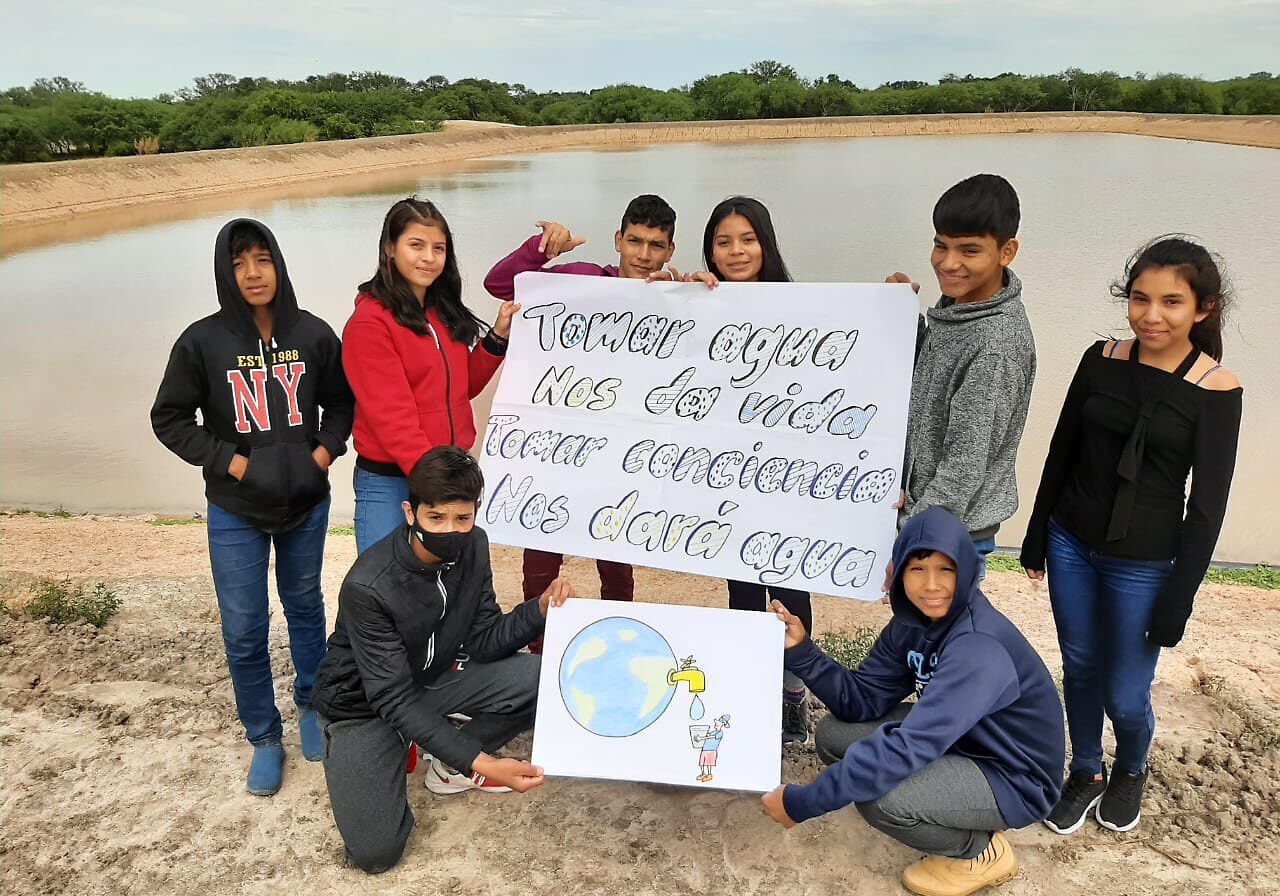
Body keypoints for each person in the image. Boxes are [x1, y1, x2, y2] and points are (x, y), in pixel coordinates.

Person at [1020, 236, 1242, 836]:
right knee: (1080, 665)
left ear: (1203, 309)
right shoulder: (1101, 358)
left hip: (1144, 562)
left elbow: (1208, 508)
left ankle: (1133, 766)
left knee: (1124, 692)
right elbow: (1062, 449)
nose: (1150, 315)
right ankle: (1086, 769)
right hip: (1072, 540)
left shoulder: (1217, 389)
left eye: (1171, 302)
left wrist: (1179, 598)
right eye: (1140, 298)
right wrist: (1037, 533)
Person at [762, 507, 1064, 896]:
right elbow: (861, 700)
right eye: (917, 569)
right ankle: (943, 801)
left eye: (946, 570)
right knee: (835, 734)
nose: (932, 585)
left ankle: (980, 851)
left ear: (967, 571)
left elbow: (910, 747)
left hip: (1013, 774)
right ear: (899, 571)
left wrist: (802, 803)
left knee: (881, 799)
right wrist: (802, 652)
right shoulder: (912, 624)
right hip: (964, 740)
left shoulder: (978, 647)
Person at [151, 218, 354, 796]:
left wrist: (321, 455)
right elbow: (169, 418)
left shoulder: (313, 334)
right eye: (238, 263)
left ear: (278, 264)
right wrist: (233, 463)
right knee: (243, 628)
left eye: (262, 260)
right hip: (235, 509)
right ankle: (264, 737)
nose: (252, 273)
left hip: (306, 505)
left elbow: (342, 404)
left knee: (306, 608)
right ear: (225, 273)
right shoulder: (202, 342)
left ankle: (312, 705)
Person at [311, 446, 575, 874]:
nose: (451, 530)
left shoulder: (475, 546)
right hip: (365, 706)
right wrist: (484, 763)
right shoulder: (369, 585)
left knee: (548, 678)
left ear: (475, 513)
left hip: (429, 680)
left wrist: (538, 610)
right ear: (410, 513)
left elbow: (485, 639)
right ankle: (400, 748)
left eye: (462, 518)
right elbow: (391, 698)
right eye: (436, 518)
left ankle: (449, 762)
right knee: (377, 854)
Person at [482, 194, 678, 623]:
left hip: (623, 451)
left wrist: (700, 294)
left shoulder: (674, 300)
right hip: (558, 444)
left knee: (617, 560)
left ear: (670, 251)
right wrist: (539, 251)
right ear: (618, 240)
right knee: (541, 550)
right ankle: (536, 638)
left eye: (656, 245)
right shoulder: (583, 279)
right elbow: (499, 285)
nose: (644, 255)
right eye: (635, 241)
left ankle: (616, 631)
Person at [686, 195, 812, 746]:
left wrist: (897, 307)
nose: (736, 251)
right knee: (741, 592)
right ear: (710, 250)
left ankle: (793, 695)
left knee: (792, 590)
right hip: (727, 482)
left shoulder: (803, 308)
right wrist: (672, 295)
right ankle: (753, 693)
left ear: (767, 244)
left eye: (747, 239)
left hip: (789, 481)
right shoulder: (699, 302)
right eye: (723, 241)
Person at [343, 197, 517, 553]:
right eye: (416, 245)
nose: (429, 257)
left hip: (445, 473)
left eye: (439, 248)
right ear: (390, 248)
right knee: (386, 580)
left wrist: (497, 338)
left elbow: (463, 387)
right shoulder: (370, 323)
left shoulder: (441, 313)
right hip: (392, 482)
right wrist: (440, 486)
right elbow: (393, 418)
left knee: (445, 580)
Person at [886, 174, 1034, 578]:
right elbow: (933, 378)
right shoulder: (960, 306)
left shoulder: (995, 344)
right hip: (930, 518)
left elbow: (964, 465)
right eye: (941, 245)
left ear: (1007, 251)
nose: (948, 263)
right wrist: (901, 317)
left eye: (969, 250)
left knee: (940, 622)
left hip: (949, 534)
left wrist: (914, 541)